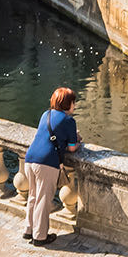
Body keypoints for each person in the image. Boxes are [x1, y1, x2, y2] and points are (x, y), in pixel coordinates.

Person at [23, 86, 80, 245]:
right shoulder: (69, 120)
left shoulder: (45, 114)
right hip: (47, 162)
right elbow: (72, 147)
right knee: (43, 199)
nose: (74, 106)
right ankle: (40, 237)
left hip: (30, 158)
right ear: (67, 104)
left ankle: (29, 229)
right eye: (73, 103)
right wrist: (78, 139)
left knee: (33, 195)